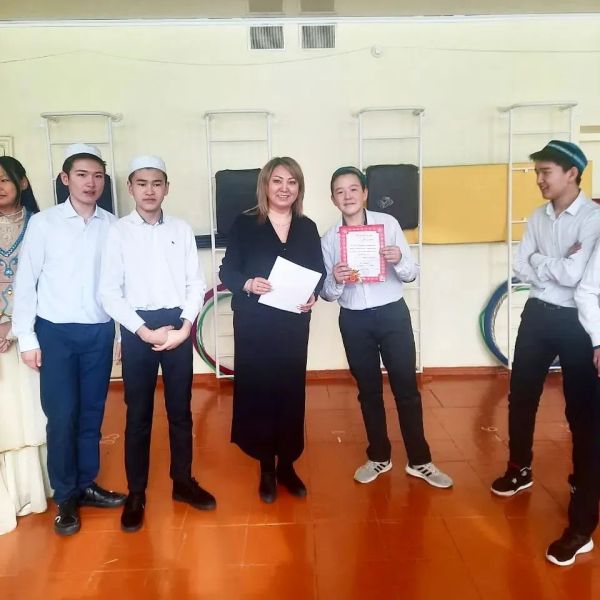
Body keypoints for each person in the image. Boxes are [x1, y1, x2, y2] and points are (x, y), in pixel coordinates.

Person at [490, 140, 600, 566]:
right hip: (537, 314)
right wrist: (550, 263)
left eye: (546, 171)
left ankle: (582, 505)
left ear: (572, 173)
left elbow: (577, 277)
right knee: (521, 396)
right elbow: (521, 265)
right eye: (537, 172)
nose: (539, 179)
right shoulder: (538, 216)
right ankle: (519, 468)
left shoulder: (592, 219)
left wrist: (542, 261)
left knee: (581, 414)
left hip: (578, 324)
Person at [12, 144, 125, 536]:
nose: (90, 183)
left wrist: (118, 334)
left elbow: (118, 286)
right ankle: (65, 496)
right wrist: (27, 337)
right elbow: (26, 281)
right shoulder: (44, 224)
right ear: (65, 179)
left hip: (99, 331)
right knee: (62, 417)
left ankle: (86, 484)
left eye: (97, 176)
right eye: (81, 175)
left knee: (92, 414)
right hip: (55, 333)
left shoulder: (113, 225)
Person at [100, 155, 216, 532]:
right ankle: (136, 493)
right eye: (142, 183)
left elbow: (195, 283)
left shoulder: (181, 229)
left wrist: (185, 328)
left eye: (156, 183)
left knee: (180, 410)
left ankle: (183, 482)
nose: (149, 190)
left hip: (177, 324)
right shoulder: (117, 232)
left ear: (167, 188)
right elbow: (109, 292)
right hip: (138, 328)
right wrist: (142, 331)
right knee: (138, 415)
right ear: (130, 188)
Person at [320, 166, 453, 489]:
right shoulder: (329, 239)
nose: (347, 196)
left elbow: (411, 273)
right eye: (340, 191)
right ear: (333, 199)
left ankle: (420, 460)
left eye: (354, 189)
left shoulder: (388, 225)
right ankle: (379, 456)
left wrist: (398, 259)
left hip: (393, 315)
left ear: (365, 193)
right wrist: (336, 279)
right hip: (354, 320)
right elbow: (327, 294)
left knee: (406, 389)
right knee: (368, 392)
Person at [219, 156, 325, 503]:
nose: (284, 188)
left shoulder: (307, 227)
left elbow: (319, 271)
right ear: (265, 185)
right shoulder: (245, 223)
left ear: (299, 188)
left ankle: (288, 465)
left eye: (292, 182)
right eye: (277, 181)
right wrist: (248, 283)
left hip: (292, 323)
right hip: (255, 323)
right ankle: (266, 466)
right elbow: (227, 271)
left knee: (290, 392)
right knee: (260, 391)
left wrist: (314, 294)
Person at [0, 156, 50, 535]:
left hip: (31, 335)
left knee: (33, 411)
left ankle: (39, 488)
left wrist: (16, 326)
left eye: (4, 179)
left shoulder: (42, 226)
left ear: (22, 182)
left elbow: (48, 281)